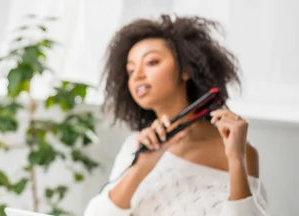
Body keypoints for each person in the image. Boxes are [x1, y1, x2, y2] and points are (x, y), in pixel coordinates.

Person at [83, 15, 270, 216]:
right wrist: (141, 168)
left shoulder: (239, 151)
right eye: (130, 70)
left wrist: (236, 159)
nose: (137, 76)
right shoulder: (135, 147)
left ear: (185, 70)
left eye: (151, 62)